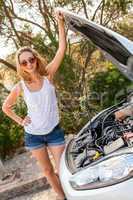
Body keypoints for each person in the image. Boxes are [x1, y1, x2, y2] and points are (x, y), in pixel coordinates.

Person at [2, 10, 67, 200]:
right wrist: (21, 121)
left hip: (54, 131)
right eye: (24, 62)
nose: (29, 63)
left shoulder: (48, 75)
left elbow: (61, 49)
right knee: (47, 172)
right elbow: (6, 107)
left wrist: (60, 24)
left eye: (31, 59)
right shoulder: (20, 86)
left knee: (62, 169)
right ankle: (63, 197)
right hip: (33, 136)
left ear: (36, 59)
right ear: (20, 65)